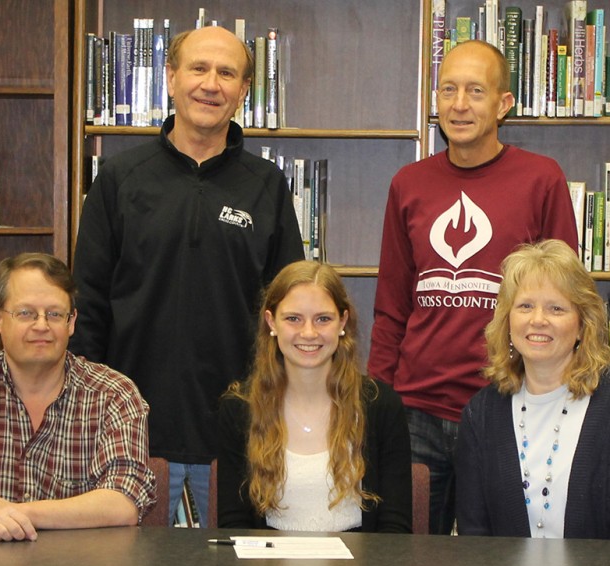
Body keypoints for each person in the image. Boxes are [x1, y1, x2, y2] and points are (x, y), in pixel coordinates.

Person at [69, 25, 304, 526]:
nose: (210, 84)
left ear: (243, 92)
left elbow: (289, 309)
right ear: (171, 79)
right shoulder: (118, 178)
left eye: (227, 73)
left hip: (237, 433)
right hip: (129, 437)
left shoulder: (267, 186)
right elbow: (86, 305)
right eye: (198, 68)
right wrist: (90, 416)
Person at [369, 40, 579, 535]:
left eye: (476, 91)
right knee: (411, 558)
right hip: (416, 409)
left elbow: (567, 300)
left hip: (509, 402)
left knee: (502, 555)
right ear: (435, 100)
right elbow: (391, 306)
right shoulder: (408, 183)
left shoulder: (541, 180)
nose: (460, 104)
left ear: (504, 104)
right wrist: (378, 401)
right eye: (449, 89)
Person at [0, 253, 156, 542]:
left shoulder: (114, 394)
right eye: (25, 313)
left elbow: (124, 502)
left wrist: (8, 512)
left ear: (71, 323)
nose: (42, 325)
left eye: (55, 314)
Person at [455, 239, 610, 539]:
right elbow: (474, 538)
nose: (538, 320)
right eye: (525, 306)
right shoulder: (481, 414)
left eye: (556, 308)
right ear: (507, 321)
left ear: (582, 325)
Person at [218, 260, 412, 533]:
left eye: (323, 319)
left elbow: (395, 531)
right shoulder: (239, 409)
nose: (309, 333)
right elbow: (234, 528)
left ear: (342, 322)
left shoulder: (381, 406)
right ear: (271, 322)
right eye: (293, 318)